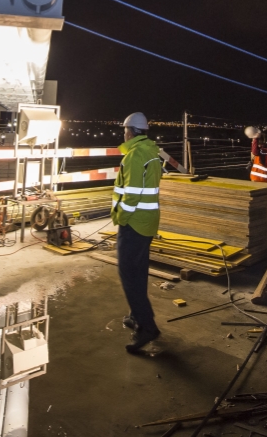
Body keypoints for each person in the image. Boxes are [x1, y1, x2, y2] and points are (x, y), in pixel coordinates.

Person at [113, 112, 163, 353]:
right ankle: (136, 315)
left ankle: (147, 327)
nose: (124, 134)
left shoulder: (134, 156)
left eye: (125, 130)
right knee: (139, 272)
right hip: (148, 222)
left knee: (129, 276)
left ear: (130, 131)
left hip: (133, 223)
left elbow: (131, 194)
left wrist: (120, 218)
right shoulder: (152, 153)